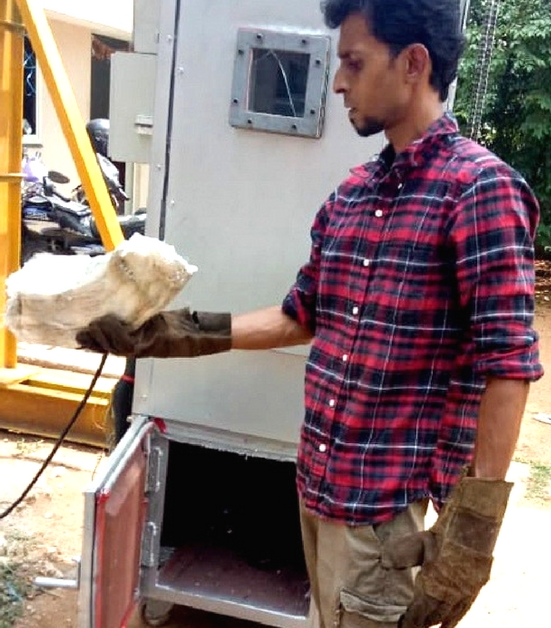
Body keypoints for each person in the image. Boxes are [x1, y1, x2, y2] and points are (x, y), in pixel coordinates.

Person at [75, 2, 541, 627]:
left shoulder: (480, 190)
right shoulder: (353, 195)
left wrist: (474, 530)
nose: (339, 80)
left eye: (353, 61)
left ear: (413, 63)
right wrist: (164, 333)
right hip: (317, 485)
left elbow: (507, 364)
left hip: (383, 510)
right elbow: (301, 315)